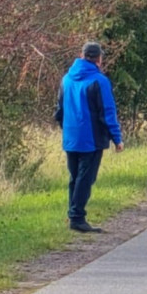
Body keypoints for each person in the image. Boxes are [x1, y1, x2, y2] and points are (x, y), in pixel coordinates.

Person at [54, 41, 124, 233]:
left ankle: (73, 215)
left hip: (71, 137)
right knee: (86, 178)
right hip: (91, 139)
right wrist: (117, 138)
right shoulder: (100, 81)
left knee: (75, 177)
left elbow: (59, 110)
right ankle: (77, 218)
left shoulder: (66, 79)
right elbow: (107, 113)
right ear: (99, 59)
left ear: (82, 54)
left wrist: (66, 129)